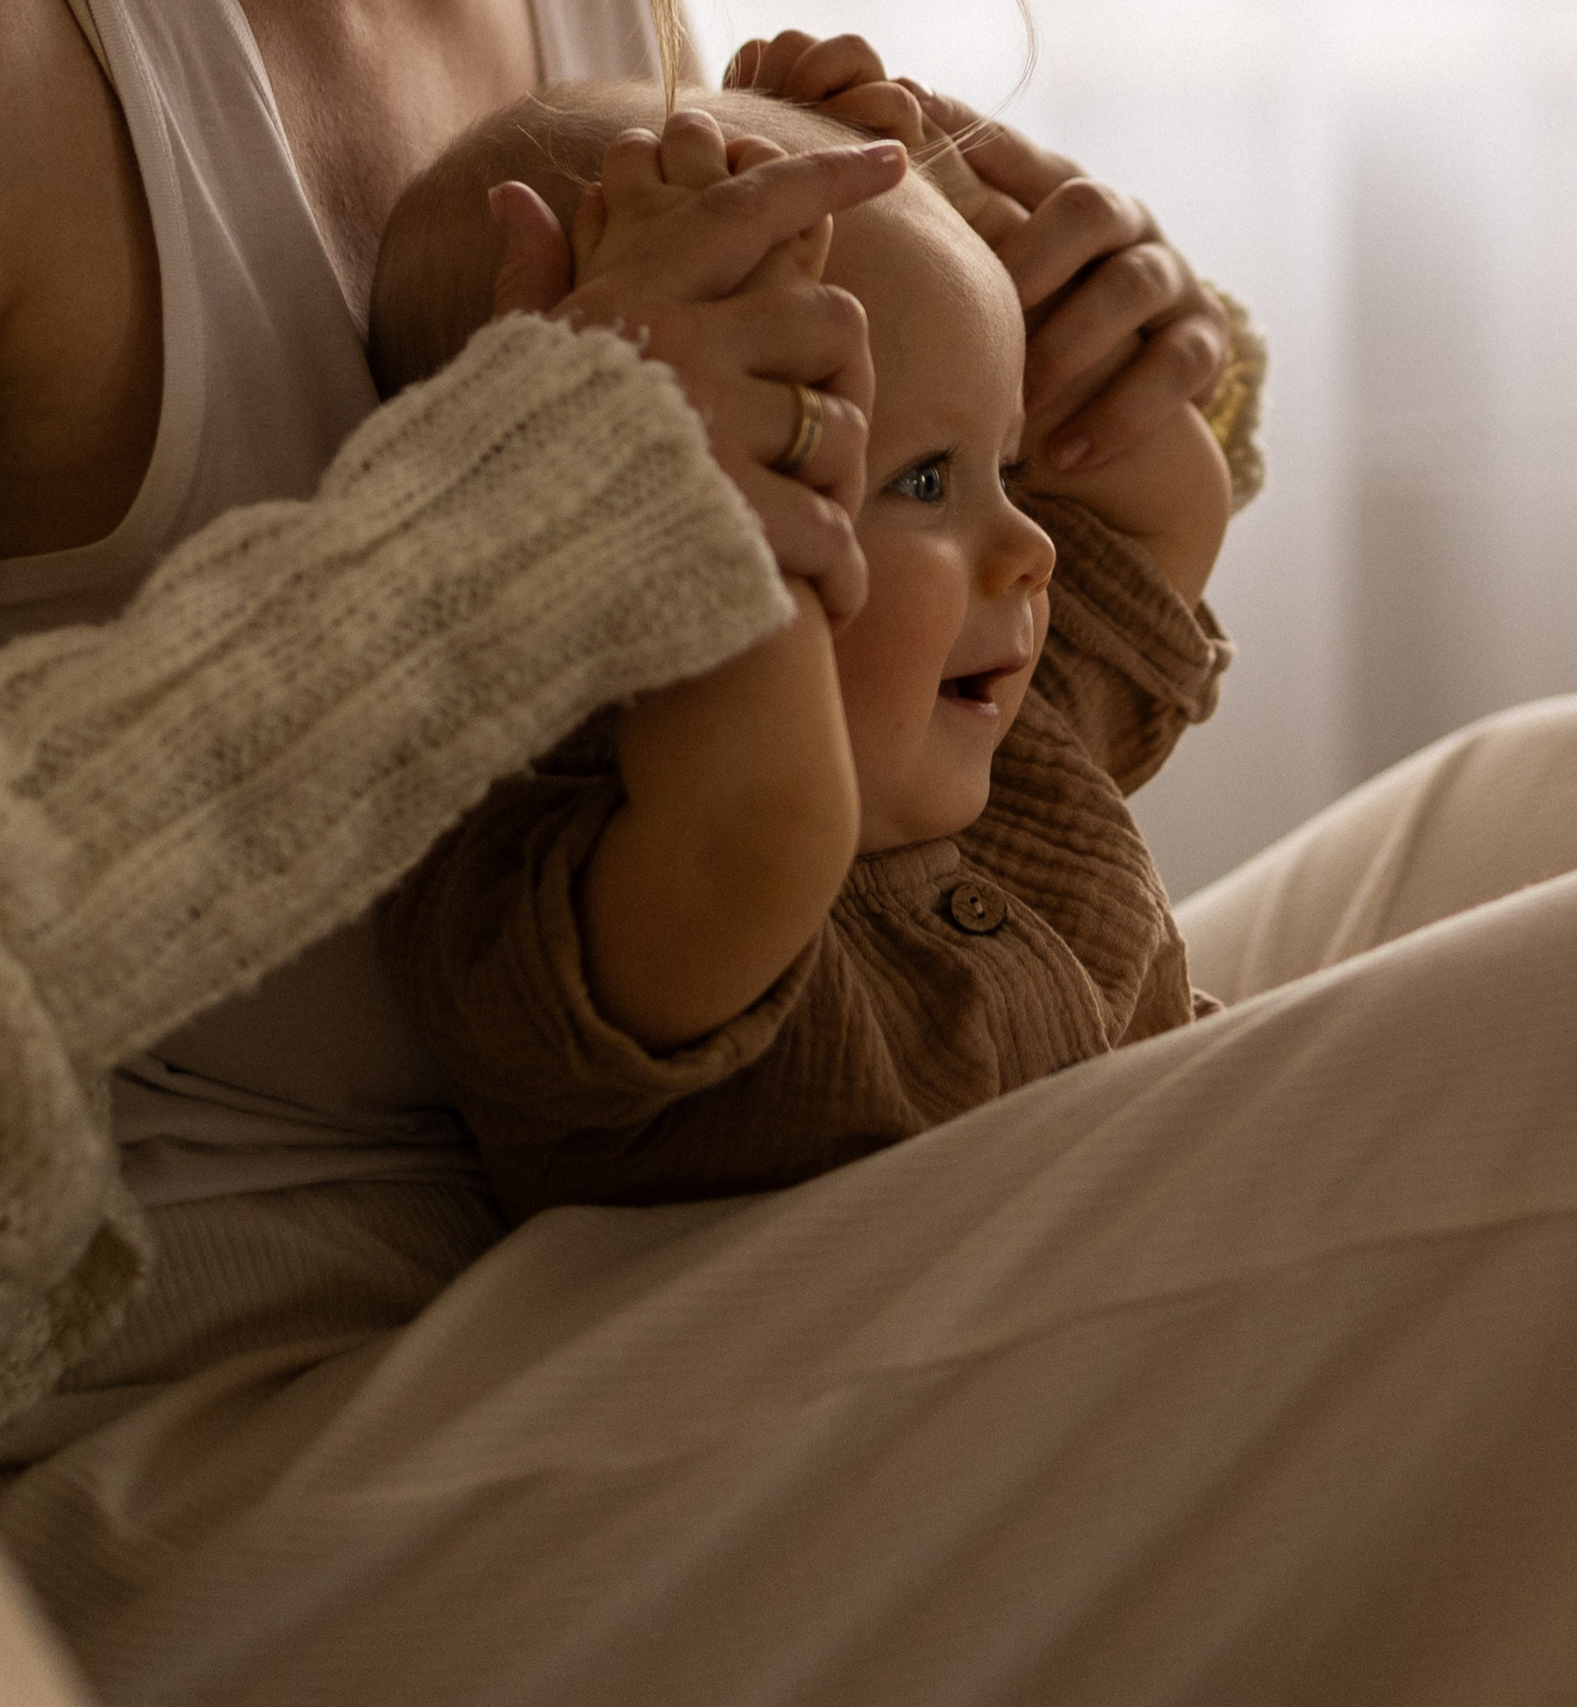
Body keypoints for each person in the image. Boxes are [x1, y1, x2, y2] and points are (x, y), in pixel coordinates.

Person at [0, 10, 1577, 1707]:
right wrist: (501, 543)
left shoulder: (567, 25)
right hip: (198, 1477)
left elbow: (724, 869)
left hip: (640, 1239)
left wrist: (1052, 443)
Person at [372, 81, 1237, 1214]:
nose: (1031, 546)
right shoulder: (563, 888)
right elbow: (761, 831)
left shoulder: (1006, 749)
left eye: (1008, 469)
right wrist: (685, 479)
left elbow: (1165, 516)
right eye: (926, 480)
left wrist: (996, 243)